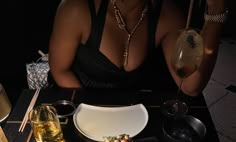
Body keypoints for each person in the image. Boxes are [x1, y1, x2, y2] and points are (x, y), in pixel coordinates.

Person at [48, 0, 227, 96]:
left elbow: (190, 85)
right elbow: (60, 70)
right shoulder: (76, 8)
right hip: (80, 105)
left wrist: (216, 10)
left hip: (136, 115)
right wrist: (90, 108)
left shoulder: (167, 14)